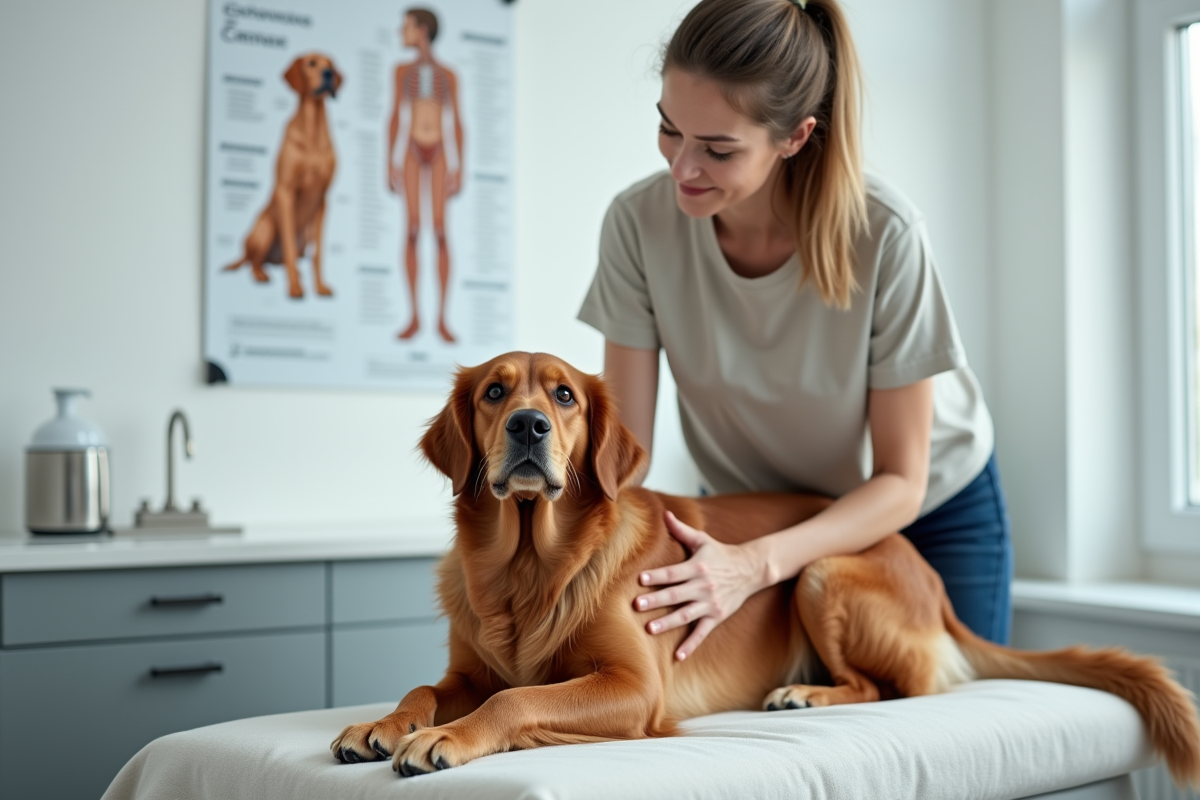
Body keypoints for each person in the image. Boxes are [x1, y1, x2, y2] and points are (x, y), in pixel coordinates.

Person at [577, 0, 1012, 663]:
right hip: (754, 511)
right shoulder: (637, 225)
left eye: (718, 149)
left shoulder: (885, 234)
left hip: (924, 509)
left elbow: (902, 478)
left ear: (795, 136)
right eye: (669, 131)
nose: (683, 169)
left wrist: (755, 565)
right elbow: (623, 457)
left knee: (956, 741)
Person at [387, 7, 464, 343]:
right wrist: (388, 161)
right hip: (412, 150)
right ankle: (415, 317)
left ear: (421, 31)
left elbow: (458, 120)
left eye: (405, 27)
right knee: (414, 230)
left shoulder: (448, 75)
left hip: (440, 152)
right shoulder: (402, 71)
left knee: (441, 231)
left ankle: (442, 319)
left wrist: (460, 165)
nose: (400, 33)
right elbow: (395, 115)